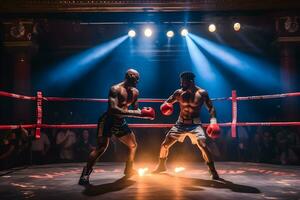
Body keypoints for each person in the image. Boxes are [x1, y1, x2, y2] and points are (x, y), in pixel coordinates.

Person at [79, 69, 155, 185]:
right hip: (108, 120)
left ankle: (129, 169)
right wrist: (137, 114)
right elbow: (113, 109)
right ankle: (85, 174)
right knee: (101, 147)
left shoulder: (135, 92)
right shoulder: (115, 89)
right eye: (136, 78)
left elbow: (135, 110)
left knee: (133, 145)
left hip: (120, 122)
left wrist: (145, 114)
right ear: (130, 76)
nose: (138, 81)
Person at [152, 71, 221, 180]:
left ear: (191, 82)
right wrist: (165, 106)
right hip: (180, 123)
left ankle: (212, 170)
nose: (181, 84)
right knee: (165, 144)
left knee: (203, 145)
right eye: (181, 82)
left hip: (195, 124)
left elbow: (211, 108)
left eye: (183, 82)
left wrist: (213, 122)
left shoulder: (202, 93)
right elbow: (167, 102)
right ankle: (161, 166)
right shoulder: (178, 93)